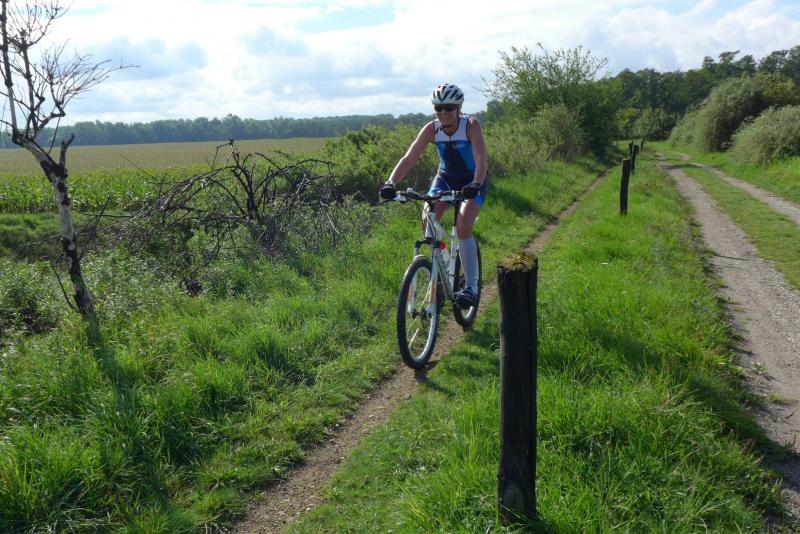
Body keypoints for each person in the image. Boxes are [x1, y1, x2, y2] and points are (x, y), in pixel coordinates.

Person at [379, 83, 487, 307]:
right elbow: (409, 158)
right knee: (428, 220)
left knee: (463, 225)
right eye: (438, 108)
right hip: (445, 179)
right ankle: (444, 263)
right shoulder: (432, 129)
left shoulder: (471, 125)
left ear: (458, 108)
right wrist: (391, 182)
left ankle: (471, 287)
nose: (443, 112)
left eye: (449, 107)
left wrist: (476, 183)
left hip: (471, 180)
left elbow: (480, 158)